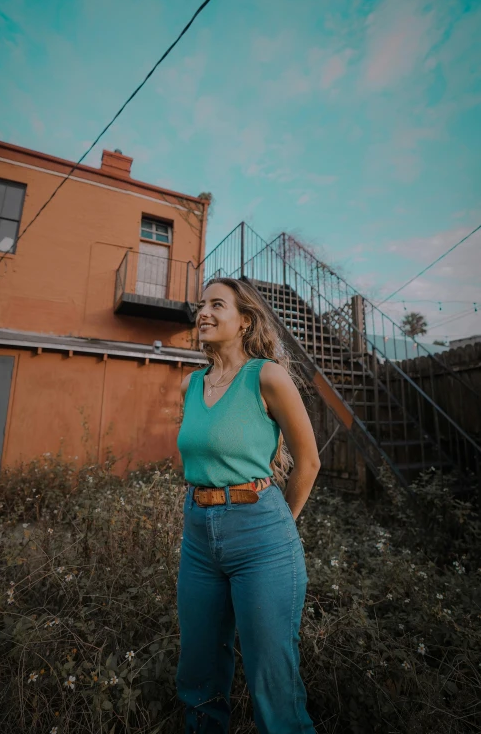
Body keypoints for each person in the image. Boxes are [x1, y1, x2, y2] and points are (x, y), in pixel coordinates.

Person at [176, 276, 320, 733]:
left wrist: (280, 529)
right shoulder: (190, 385)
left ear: (244, 322)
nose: (204, 312)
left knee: (272, 684)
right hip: (198, 536)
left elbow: (310, 462)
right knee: (198, 673)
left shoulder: (267, 376)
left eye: (217, 305)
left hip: (262, 533)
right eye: (201, 304)